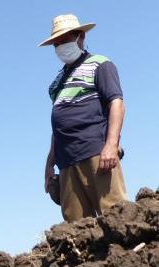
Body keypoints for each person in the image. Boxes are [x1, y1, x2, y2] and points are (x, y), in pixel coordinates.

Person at [40, 14, 127, 222]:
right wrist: (49, 163)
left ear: (80, 36)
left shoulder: (100, 64)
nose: (61, 46)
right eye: (57, 43)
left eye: (66, 39)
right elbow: (58, 126)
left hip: (97, 154)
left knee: (115, 218)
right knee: (77, 227)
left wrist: (111, 145)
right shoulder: (56, 83)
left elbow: (117, 104)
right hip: (67, 162)